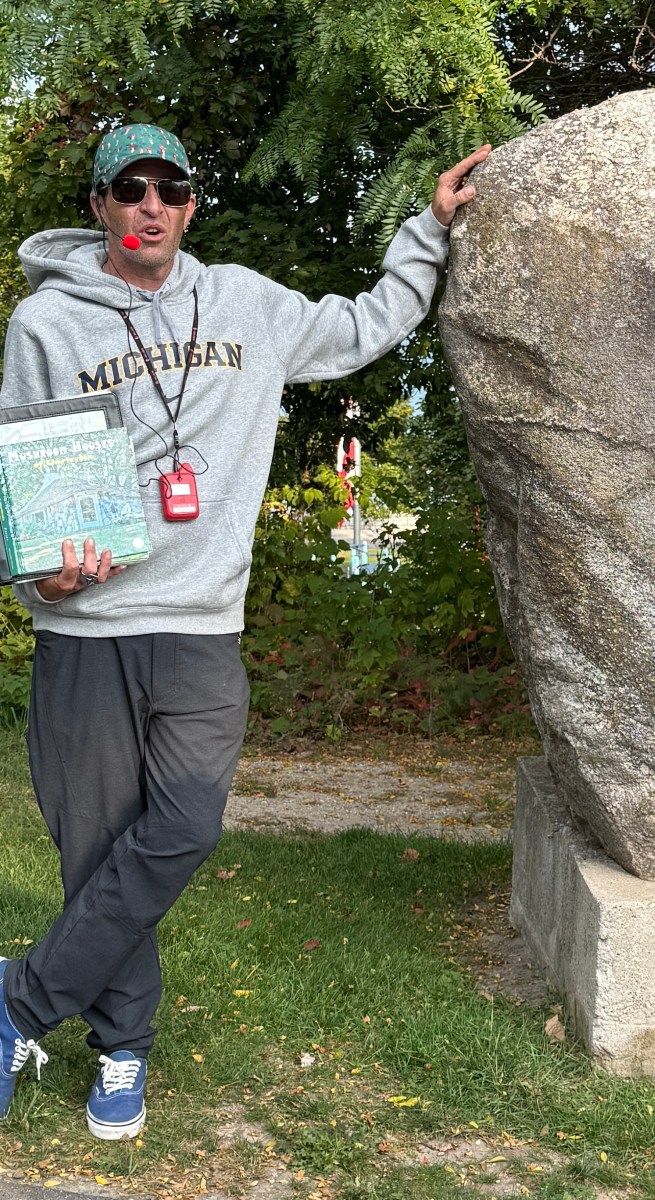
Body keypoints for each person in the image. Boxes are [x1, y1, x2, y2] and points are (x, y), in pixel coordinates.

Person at [0, 123, 488, 1138]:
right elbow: (24, 482)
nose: (150, 207)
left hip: (198, 624)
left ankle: (17, 1005)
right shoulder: (47, 322)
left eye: (169, 191)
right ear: (97, 206)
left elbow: (365, 326)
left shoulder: (248, 306)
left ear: (188, 206)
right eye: (128, 189)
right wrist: (40, 576)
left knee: (181, 827)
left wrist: (429, 230)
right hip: (85, 631)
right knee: (96, 851)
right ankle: (124, 1049)